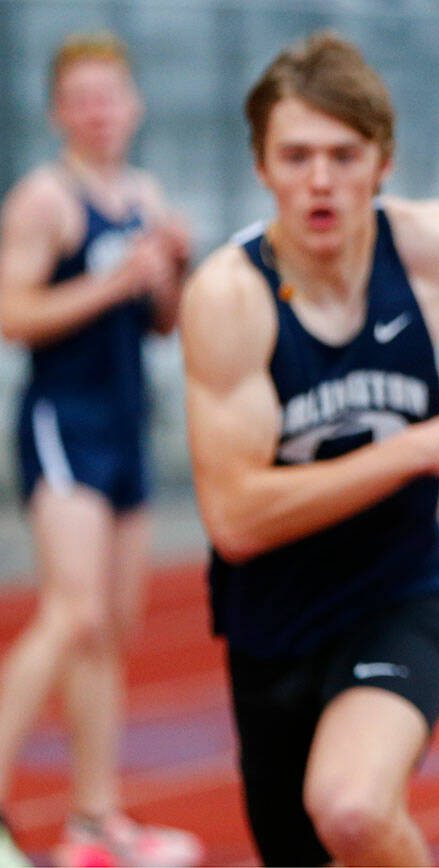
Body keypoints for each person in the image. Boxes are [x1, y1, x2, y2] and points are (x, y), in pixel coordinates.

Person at [178, 30, 439, 867]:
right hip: (271, 626)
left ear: (383, 159)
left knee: (351, 808)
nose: (321, 181)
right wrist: (419, 446)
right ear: (261, 166)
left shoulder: (427, 245)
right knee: (305, 845)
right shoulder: (228, 298)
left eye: (344, 155)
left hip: (402, 596)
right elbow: (237, 518)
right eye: (297, 156)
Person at [0, 31, 201, 868]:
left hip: (125, 421)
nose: (98, 112)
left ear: (133, 106)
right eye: (80, 99)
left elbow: (161, 322)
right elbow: (14, 314)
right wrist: (111, 282)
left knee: (110, 630)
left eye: (109, 97)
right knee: (71, 611)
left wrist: (170, 275)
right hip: (64, 421)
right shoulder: (44, 200)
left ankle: (92, 821)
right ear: (59, 112)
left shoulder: (146, 196)